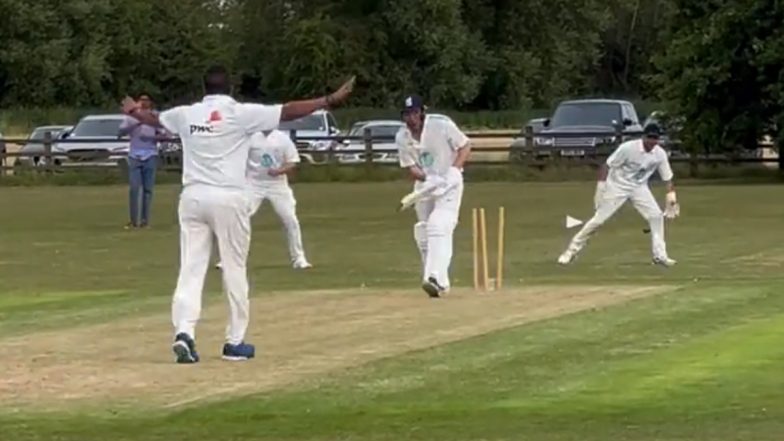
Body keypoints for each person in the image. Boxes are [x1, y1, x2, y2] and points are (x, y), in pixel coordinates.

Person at [121, 66, 354, 363]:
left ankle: (184, 333)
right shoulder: (240, 114)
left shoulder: (186, 114)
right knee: (234, 268)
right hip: (228, 197)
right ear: (229, 89)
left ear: (203, 88)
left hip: (192, 198)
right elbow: (287, 111)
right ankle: (234, 342)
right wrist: (328, 100)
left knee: (191, 268)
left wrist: (133, 111)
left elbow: (154, 119)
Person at [557, 123, 680, 266]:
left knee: (656, 216)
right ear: (644, 137)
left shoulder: (659, 154)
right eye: (650, 138)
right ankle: (571, 251)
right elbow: (607, 166)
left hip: (639, 187)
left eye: (655, 139)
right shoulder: (628, 148)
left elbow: (667, 178)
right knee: (598, 220)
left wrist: (671, 197)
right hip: (616, 186)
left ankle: (660, 256)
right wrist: (601, 187)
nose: (652, 142)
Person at [395, 95, 471, 298]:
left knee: (439, 226)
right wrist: (427, 178)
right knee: (424, 231)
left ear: (421, 113)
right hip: (426, 186)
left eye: (414, 113)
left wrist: (454, 171)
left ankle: (435, 278)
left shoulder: (441, 124)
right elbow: (411, 167)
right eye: (406, 114)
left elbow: (465, 146)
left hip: (450, 182)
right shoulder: (402, 137)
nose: (411, 118)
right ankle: (437, 282)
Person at [216, 129, 312, 270]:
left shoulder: (283, 139)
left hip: (278, 185)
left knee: (290, 220)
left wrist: (279, 171)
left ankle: (299, 259)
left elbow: (292, 162)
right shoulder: (250, 138)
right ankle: (229, 259)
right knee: (240, 218)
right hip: (253, 184)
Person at [119, 93, 166, 229]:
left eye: (147, 100)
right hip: (134, 155)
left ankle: (145, 221)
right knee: (134, 188)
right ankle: (133, 221)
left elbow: (164, 134)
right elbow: (121, 132)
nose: (144, 103)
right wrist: (138, 122)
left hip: (150, 155)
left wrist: (153, 138)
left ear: (150, 103)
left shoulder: (155, 116)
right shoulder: (130, 117)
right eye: (141, 100)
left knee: (148, 190)